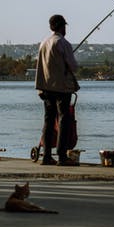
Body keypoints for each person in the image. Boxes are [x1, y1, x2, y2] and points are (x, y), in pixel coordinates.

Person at [35, 14, 79, 166]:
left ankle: (46, 156)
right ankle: (62, 156)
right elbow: (73, 66)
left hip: (45, 88)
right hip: (61, 88)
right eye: (65, 26)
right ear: (62, 26)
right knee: (63, 120)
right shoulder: (63, 43)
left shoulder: (43, 43)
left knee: (48, 121)